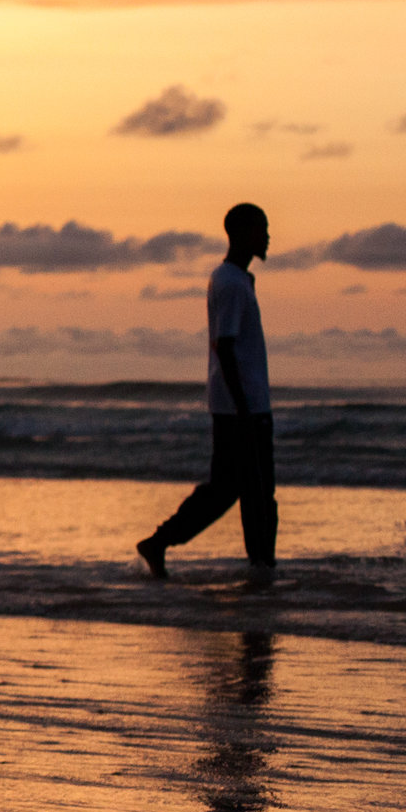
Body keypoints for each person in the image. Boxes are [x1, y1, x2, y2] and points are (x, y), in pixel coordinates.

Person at [137, 203, 275, 580]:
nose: (267, 235)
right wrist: (245, 409)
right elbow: (225, 347)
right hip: (241, 407)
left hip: (238, 404)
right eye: (261, 228)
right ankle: (262, 570)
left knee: (235, 490)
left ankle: (259, 567)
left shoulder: (236, 280)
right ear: (243, 232)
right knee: (253, 493)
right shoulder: (230, 283)